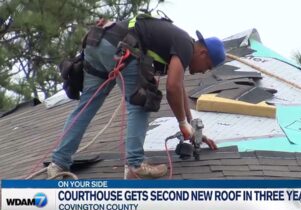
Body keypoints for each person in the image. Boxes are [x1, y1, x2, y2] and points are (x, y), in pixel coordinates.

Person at [48, 14, 225, 179]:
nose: (203, 71)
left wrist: (192, 126)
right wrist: (182, 123)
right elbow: (172, 88)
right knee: (140, 102)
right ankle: (135, 165)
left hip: (97, 42)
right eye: (207, 66)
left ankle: (58, 163)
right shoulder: (186, 44)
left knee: (86, 107)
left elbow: (179, 89)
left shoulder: (178, 44)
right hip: (120, 47)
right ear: (203, 53)